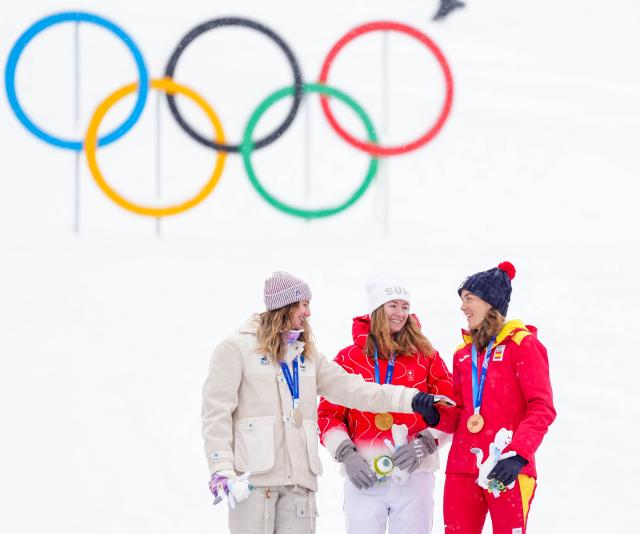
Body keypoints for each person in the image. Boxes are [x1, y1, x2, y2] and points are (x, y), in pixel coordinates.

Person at [201, 271, 435, 534]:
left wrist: (411, 399)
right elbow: (216, 412)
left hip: (300, 482)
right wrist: (220, 467)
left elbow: (356, 390)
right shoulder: (236, 349)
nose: (308, 313)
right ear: (284, 305)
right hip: (255, 480)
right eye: (303, 305)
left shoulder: (307, 356)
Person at [419, 262, 556, 534]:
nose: (462, 307)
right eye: (461, 300)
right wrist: (436, 414)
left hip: (507, 466)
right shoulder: (462, 354)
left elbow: (542, 408)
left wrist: (518, 454)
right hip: (462, 468)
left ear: (490, 301)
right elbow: (460, 411)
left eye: (468, 298)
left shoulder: (523, 345)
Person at [317, 280, 454, 534]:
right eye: (392, 305)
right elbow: (327, 414)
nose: (400, 314)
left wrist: (427, 442)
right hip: (365, 474)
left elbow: (451, 406)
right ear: (376, 310)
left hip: (414, 472)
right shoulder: (349, 358)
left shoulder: (426, 356)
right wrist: (347, 454)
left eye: (405, 307)